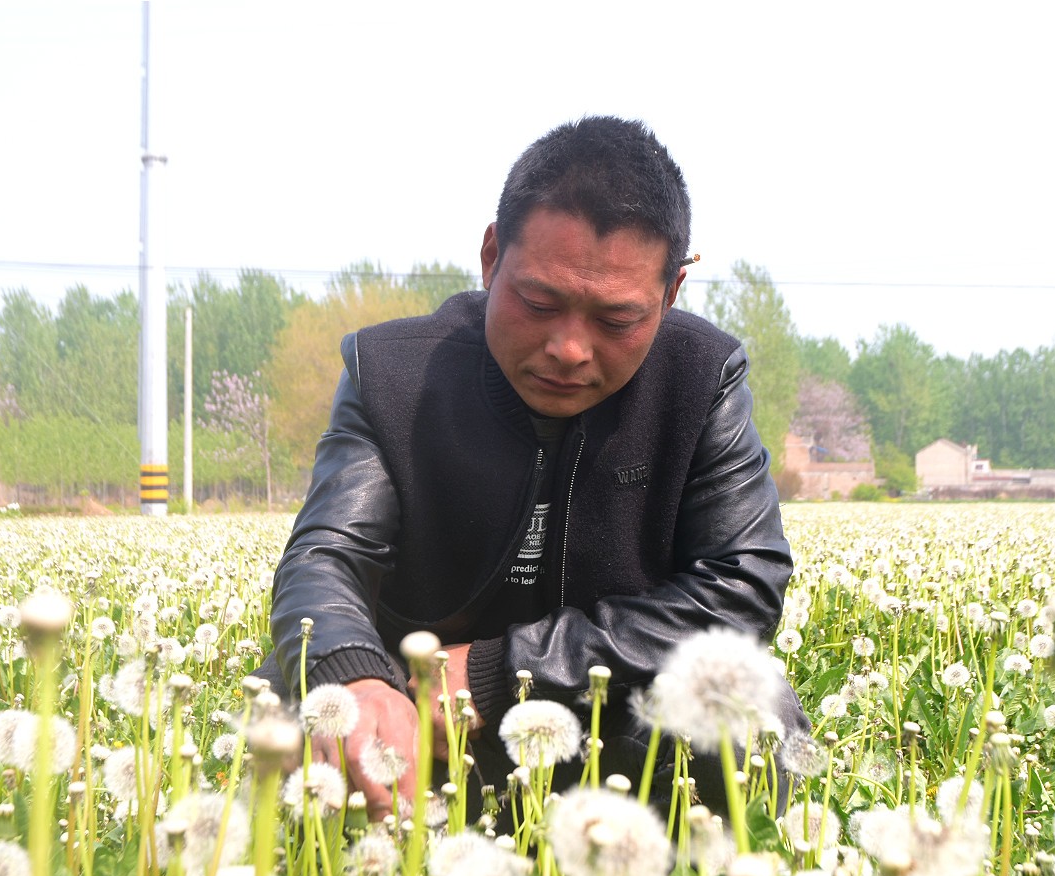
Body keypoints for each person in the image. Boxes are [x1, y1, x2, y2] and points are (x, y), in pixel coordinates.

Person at [254, 116, 803, 820]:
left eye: (616, 320)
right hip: (413, 718)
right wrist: (357, 678)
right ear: (490, 257)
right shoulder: (394, 375)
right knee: (299, 701)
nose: (569, 348)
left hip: (606, 720)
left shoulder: (700, 380)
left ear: (671, 292)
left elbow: (741, 586)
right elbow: (327, 558)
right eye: (538, 303)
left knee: (753, 716)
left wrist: (497, 675)